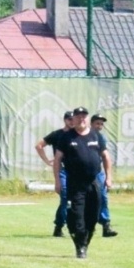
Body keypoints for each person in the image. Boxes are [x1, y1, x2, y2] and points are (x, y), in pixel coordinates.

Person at [50, 107, 105, 259]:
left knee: (92, 216)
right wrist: (57, 181)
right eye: (78, 116)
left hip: (93, 182)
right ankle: (80, 246)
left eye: (84, 116)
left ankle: (85, 242)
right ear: (73, 119)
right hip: (75, 182)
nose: (81, 119)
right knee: (77, 215)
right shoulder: (66, 137)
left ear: (87, 118)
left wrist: (109, 178)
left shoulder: (96, 135)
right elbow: (57, 160)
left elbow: (106, 156)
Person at [37, 110, 75, 237]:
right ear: (65, 120)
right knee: (65, 197)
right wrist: (47, 161)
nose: (72, 121)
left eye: (73, 119)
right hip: (63, 170)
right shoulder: (57, 134)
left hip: (76, 171)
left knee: (77, 199)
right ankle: (59, 226)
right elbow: (39, 145)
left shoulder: (78, 134)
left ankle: (77, 225)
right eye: (69, 119)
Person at [91, 113, 119, 237]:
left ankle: (106, 226)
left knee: (103, 197)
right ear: (91, 123)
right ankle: (88, 225)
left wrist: (108, 177)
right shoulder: (82, 136)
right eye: (97, 123)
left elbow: (106, 157)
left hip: (97, 172)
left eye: (101, 124)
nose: (99, 126)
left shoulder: (101, 138)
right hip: (82, 173)